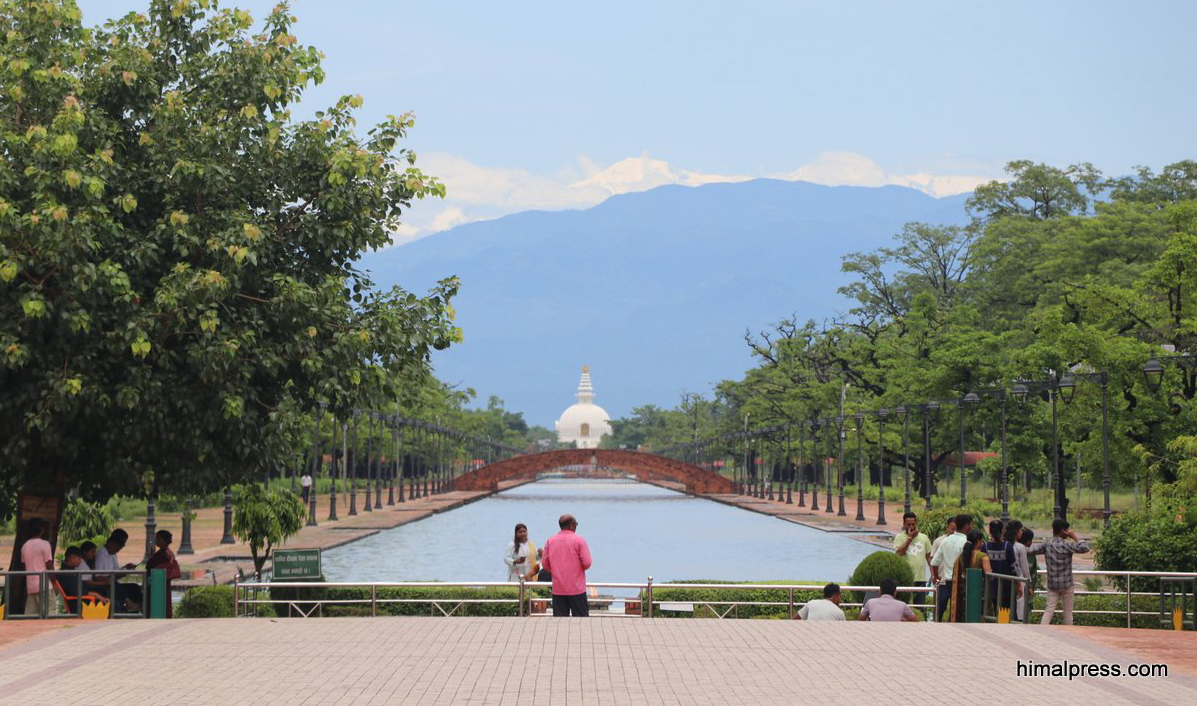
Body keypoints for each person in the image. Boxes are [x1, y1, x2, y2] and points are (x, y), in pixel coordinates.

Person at [1029, 519, 1090, 626]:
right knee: (1068, 612)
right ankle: (1069, 634)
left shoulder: (1047, 545)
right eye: (1067, 529)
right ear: (1063, 531)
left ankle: (1042, 631)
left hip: (1052, 585)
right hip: (1067, 584)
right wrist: (1074, 536)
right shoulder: (1067, 546)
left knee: (1049, 610)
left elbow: (1029, 551)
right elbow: (1085, 548)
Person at [539, 514, 592, 617]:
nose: (576, 526)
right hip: (577, 589)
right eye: (576, 524)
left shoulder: (550, 541)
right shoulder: (579, 540)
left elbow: (545, 564)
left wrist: (555, 570)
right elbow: (587, 563)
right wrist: (578, 569)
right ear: (571, 525)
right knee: (581, 621)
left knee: (560, 622)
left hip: (558, 589)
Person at [87, 529, 143, 612]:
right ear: (112, 543)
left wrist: (125, 568)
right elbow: (98, 576)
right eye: (118, 547)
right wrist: (114, 576)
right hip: (105, 585)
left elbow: (116, 570)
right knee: (113, 582)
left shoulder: (113, 554)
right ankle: (129, 603)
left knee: (134, 587)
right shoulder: (101, 555)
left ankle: (138, 609)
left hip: (113, 582)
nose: (118, 550)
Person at [930, 514, 971, 622]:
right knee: (960, 610)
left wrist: (936, 576)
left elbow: (934, 562)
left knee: (948, 608)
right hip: (961, 582)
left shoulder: (945, 541)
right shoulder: (966, 542)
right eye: (970, 525)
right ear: (966, 526)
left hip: (947, 581)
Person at [948, 529, 991, 622]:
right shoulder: (982, 556)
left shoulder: (962, 557)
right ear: (978, 541)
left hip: (965, 592)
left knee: (967, 615)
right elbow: (989, 575)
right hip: (979, 592)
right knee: (981, 616)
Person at [893, 512, 932, 607]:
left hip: (920, 579)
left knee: (920, 607)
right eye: (908, 524)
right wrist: (910, 538)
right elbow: (899, 553)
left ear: (916, 523)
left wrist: (933, 575)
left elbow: (929, 558)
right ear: (904, 524)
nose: (911, 526)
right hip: (905, 578)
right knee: (903, 606)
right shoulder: (899, 537)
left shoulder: (924, 538)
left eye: (913, 524)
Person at [984, 519, 1021, 617]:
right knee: (1006, 614)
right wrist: (1019, 584)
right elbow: (1014, 567)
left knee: (996, 612)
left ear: (990, 531)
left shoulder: (985, 546)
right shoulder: (1007, 546)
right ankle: (1004, 629)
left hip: (992, 588)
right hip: (1007, 588)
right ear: (1002, 531)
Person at [20, 518, 55, 616]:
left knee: (31, 616)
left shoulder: (25, 546)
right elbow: (49, 565)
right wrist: (54, 582)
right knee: (49, 613)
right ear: (42, 529)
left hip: (31, 586)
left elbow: (24, 567)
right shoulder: (45, 544)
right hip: (44, 586)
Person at [55, 547, 103, 615]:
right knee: (111, 605)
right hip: (79, 603)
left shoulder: (71, 571)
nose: (80, 561)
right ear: (72, 558)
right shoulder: (66, 574)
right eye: (79, 558)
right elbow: (76, 591)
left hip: (82, 600)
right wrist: (96, 594)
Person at [146, 530, 182, 618]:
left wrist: (151, 556)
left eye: (158, 539)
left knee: (157, 602)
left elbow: (149, 566)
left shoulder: (162, 554)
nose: (156, 540)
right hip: (164, 582)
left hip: (157, 583)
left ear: (165, 541)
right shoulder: (168, 552)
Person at [1018, 527, 1036, 622]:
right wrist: (1030, 586)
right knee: (1025, 609)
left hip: (1016, 586)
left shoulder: (1013, 548)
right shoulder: (1028, 553)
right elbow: (1029, 571)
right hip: (1025, 586)